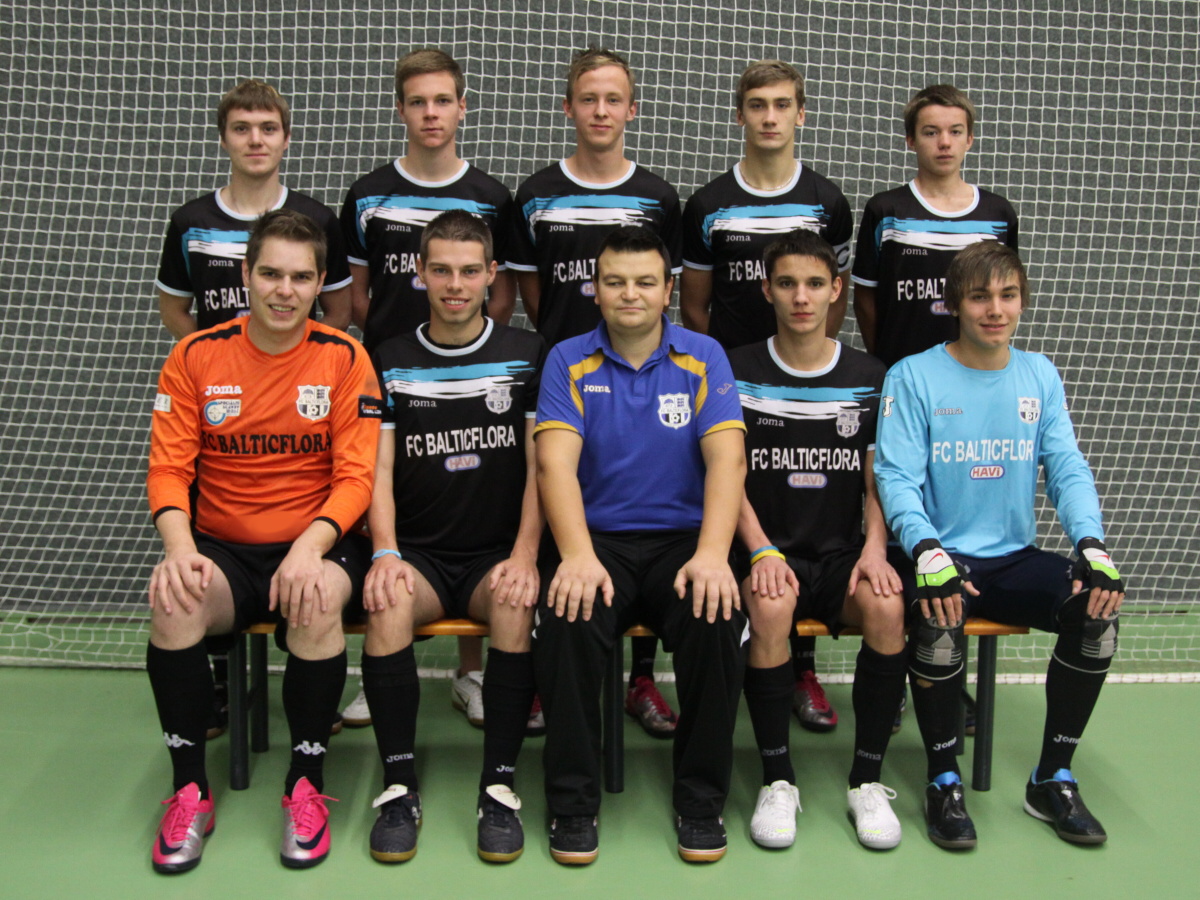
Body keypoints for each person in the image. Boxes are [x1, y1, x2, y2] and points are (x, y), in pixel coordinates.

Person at [145, 208, 381, 873]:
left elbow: (356, 477)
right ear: (246, 275)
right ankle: (189, 791)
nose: (285, 290)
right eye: (271, 274)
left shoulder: (345, 357)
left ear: (321, 283)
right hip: (223, 546)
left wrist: (309, 548)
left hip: (319, 539)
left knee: (316, 597)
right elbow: (168, 469)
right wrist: (179, 549)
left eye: (301, 278)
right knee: (174, 601)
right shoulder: (195, 354)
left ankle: (305, 785)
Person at [875, 241, 1124, 849]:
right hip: (939, 557)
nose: (995, 309)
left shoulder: (1039, 374)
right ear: (953, 304)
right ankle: (943, 781)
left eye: (1008, 295)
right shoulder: (913, 375)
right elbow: (895, 477)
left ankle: (1052, 777)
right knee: (938, 621)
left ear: (1022, 301)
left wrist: (1091, 544)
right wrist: (926, 551)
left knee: (1097, 616)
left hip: (1013, 559)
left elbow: (1066, 466)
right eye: (980, 296)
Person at [533, 226, 748, 865]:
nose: (631, 293)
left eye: (645, 282)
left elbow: (728, 461)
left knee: (717, 617)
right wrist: (575, 555)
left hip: (684, 542)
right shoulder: (566, 359)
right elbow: (553, 465)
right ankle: (573, 805)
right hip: (596, 541)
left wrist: (713, 555)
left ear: (668, 289)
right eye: (616, 282)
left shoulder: (704, 356)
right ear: (595, 290)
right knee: (568, 618)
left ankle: (700, 802)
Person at [354, 210, 546, 864]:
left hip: (497, 555)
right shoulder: (389, 359)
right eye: (441, 270)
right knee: (385, 602)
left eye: (468, 271)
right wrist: (385, 553)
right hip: (422, 556)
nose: (455, 285)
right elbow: (377, 470)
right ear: (420, 273)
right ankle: (399, 787)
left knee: (516, 603)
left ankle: (498, 789)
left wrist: (525, 555)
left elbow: (542, 468)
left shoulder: (527, 355)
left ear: (493, 274)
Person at [338, 48, 517, 729]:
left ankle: (472, 674)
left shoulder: (492, 197)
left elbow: (503, 297)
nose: (431, 113)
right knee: (395, 510)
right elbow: (356, 296)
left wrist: (464, 353)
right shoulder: (368, 194)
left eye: (443, 100)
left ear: (462, 107)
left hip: (468, 370)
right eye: (418, 101)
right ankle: (386, 670)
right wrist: (395, 353)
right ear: (401, 110)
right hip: (396, 375)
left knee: (473, 501)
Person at [681, 59, 853, 733]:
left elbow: (836, 298)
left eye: (783, 104)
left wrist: (806, 366)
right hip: (734, 387)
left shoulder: (827, 203)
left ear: (800, 114)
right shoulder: (708, 206)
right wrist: (725, 375)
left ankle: (800, 666)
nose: (770, 117)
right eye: (758, 104)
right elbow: (694, 308)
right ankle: (657, 675)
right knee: (734, 517)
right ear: (740, 115)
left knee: (806, 515)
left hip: (805, 390)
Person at [730, 230, 908, 851]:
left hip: (840, 556)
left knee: (887, 606)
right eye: (787, 284)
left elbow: (878, 481)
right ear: (766, 290)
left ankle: (867, 781)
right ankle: (777, 780)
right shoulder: (736, 369)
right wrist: (759, 550)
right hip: (765, 551)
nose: (800, 298)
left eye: (813, 284)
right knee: (770, 607)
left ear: (836, 290)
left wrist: (875, 549)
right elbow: (725, 475)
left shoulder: (868, 375)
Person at [156, 79, 351, 338]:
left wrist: (302, 357)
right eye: (241, 129)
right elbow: (173, 311)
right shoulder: (191, 222)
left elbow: (339, 312)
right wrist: (206, 354)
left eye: (268, 129)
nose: (255, 140)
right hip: (218, 365)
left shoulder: (318, 220)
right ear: (223, 138)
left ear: (286, 138)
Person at [852, 84, 1019, 369]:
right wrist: (885, 361)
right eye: (931, 132)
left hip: (976, 372)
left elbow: (1006, 293)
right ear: (911, 139)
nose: (944, 142)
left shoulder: (998, 214)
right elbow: (865, 298)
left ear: (969, 139)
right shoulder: (886, 211)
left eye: (955, 132)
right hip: (902, 371)